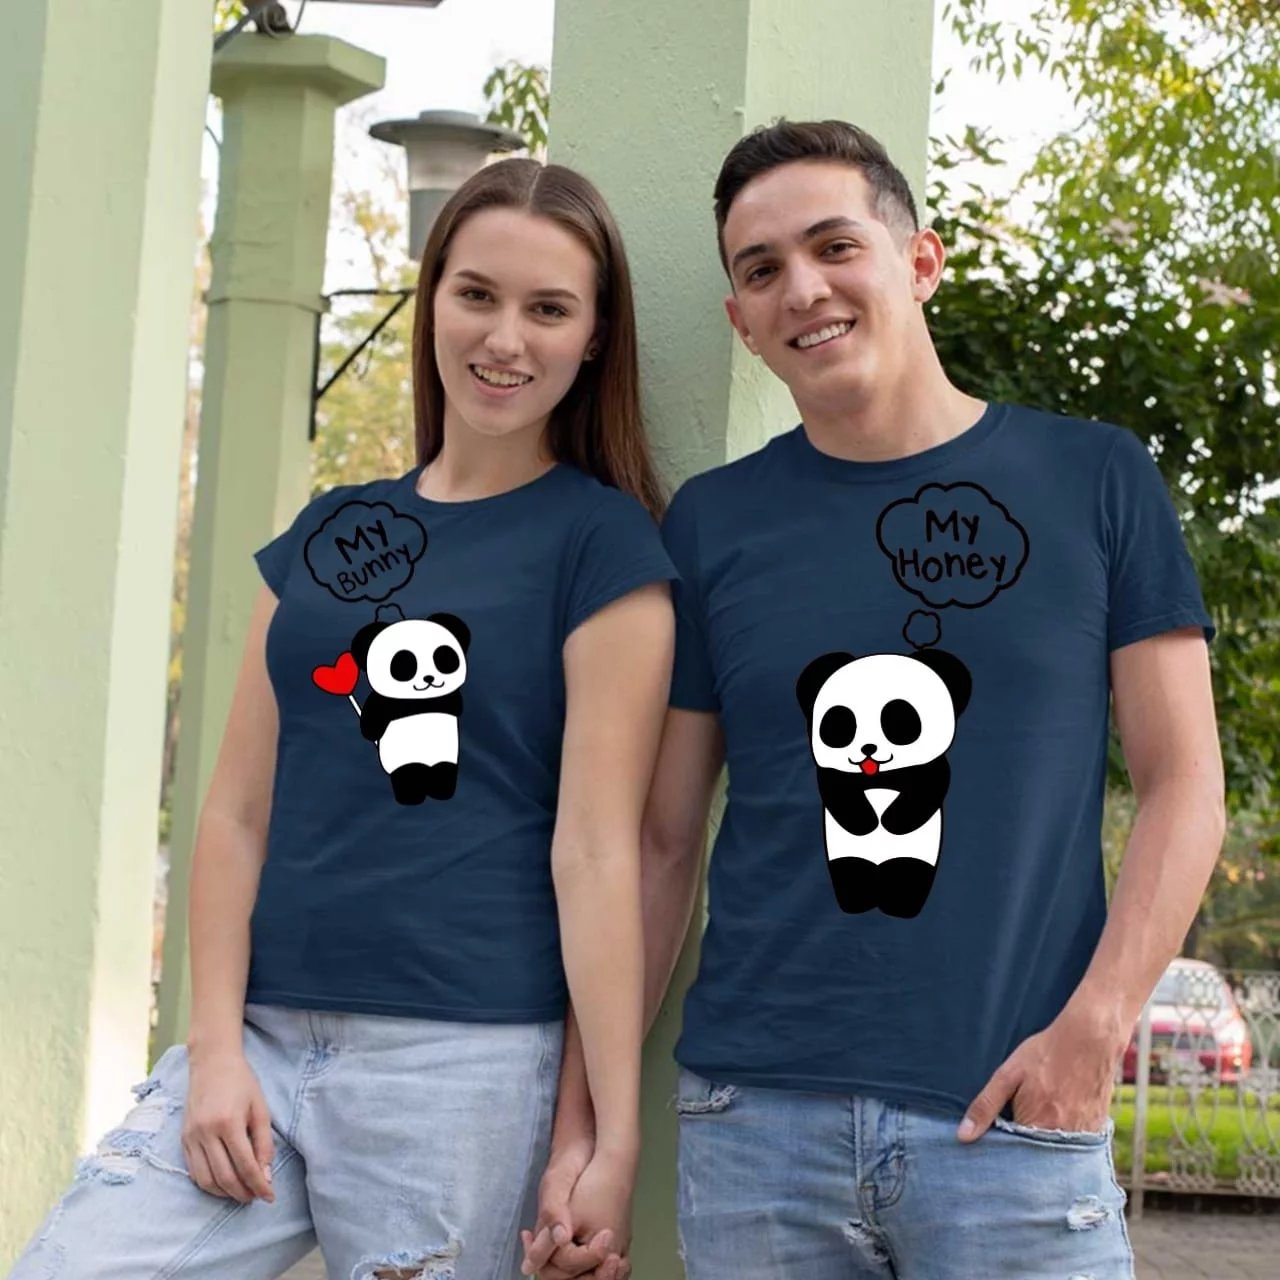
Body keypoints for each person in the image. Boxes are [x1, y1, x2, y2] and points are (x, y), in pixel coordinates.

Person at [523, 120, 1224, 1280]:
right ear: (742, 322)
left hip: (1010, 1121)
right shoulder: (710, 525)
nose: (801, 287)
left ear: (918, 260)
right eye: (761, 270)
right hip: (754, 1130)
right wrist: (582, 1133)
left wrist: (1095, 1028)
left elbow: (1182, 782)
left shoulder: (1093, 478)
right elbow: (656, 846)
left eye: (833, 245)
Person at [10, 157, 675, 1280]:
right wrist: (213, 1046)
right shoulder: (326, 535)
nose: (504, 338)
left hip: (461, 1060)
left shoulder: (604, 546)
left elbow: (599, 852)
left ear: (594, 336)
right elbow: (235, 813)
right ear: (432, 300)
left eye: (547, 309)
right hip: (258, 1042)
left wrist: (605, 1139)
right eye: (476, 294)